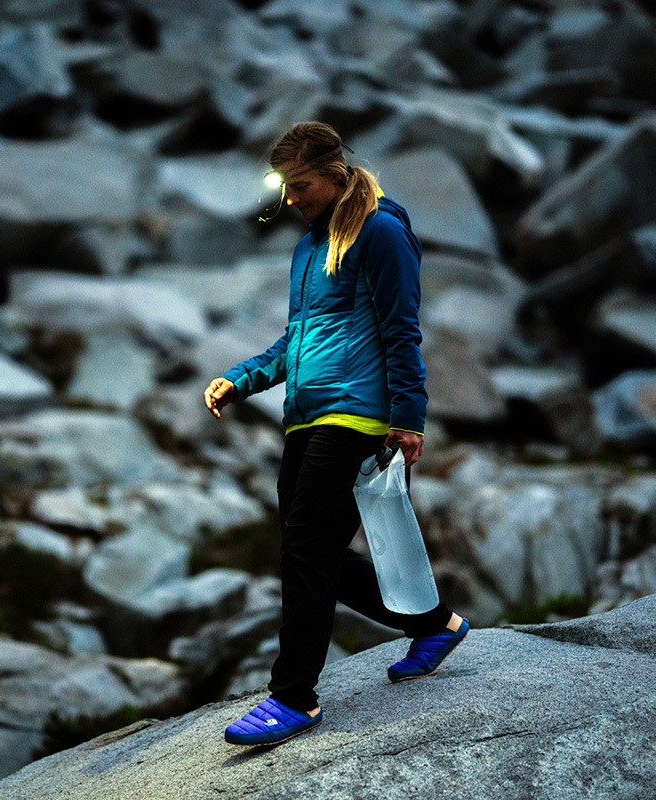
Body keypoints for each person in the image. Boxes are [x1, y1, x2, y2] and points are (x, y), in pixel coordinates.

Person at [204, 121, 468, 747]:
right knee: (309, 549)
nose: (291, 200)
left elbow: (402, 328)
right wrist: (240, 379)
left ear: (334, 172)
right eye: (284, 189)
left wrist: (409, 418)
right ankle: (435, 624)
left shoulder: (378, 231)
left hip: (357, 415)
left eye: (301, 186)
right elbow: (296, 341)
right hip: (307, 414)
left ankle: (294, 697)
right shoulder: (306, 248)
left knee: (304, 550)